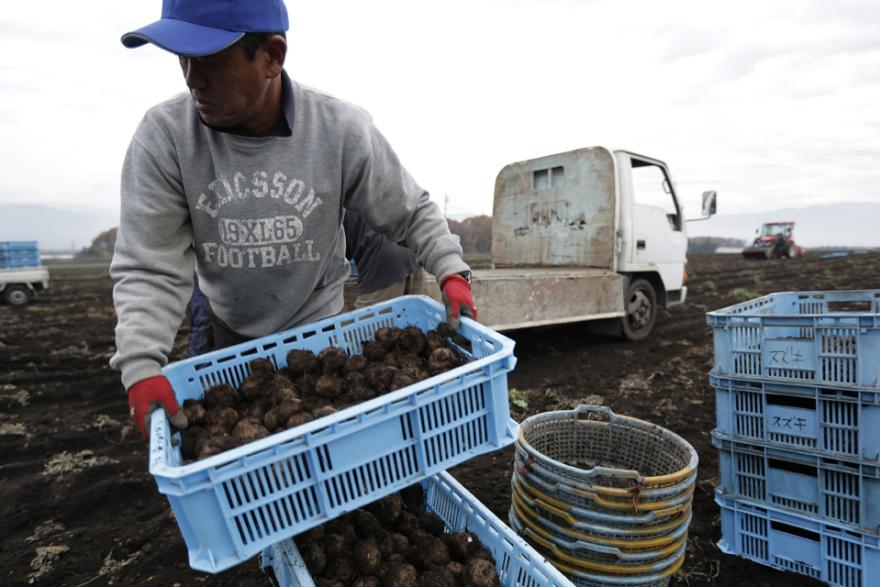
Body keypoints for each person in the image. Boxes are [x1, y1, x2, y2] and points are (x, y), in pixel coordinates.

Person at [110, 0, 477, 439]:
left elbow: (409, 209)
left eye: (210, 60)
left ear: (272, 56)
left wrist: (451, 271)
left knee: (330, 452)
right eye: (183, 60)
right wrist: (141, 363)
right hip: (227, 327)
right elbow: (149, 262)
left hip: (321, 335)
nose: (193, 79)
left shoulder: (339, 130)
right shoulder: (165, 137)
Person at [343, 209, 431, 309]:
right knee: (419, 315)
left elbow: (339, 254)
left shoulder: (338, 205)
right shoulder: (382, 196)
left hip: (383, 265)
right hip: (413, 254)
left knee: (371, 320)